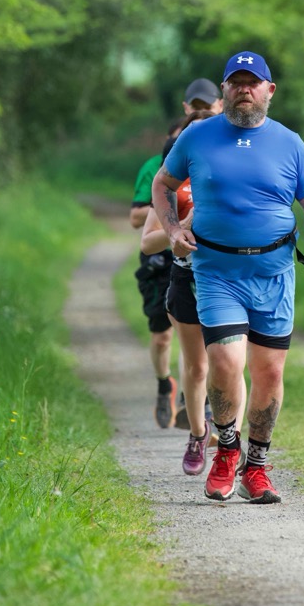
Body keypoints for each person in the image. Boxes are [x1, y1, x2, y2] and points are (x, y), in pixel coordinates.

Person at [152, 51, 304, 504]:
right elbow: (162, 185)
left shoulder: (290, 142)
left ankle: (256, 467)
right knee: (226, 363)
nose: (244, 89)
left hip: (273, 273)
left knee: (269, 372)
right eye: (236, 82)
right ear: (225, 89)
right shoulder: (197, 136)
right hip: (217, 272)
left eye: (253, 82)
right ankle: (227, 450)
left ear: (270, 90)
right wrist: (173, 231)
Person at [140, 109, 247, 475]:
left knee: (232, 363)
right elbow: (148, 242)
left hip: (233, 279)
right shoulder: (172, 180)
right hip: (187, 278)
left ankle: (232, 440)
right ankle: (198, 434)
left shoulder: (236, 170)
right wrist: (178, 229)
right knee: (197, 365)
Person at [131, 119, 185, 428]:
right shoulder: (155, 167)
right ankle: (165, 385)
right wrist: (166, 209)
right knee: (162, 336)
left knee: (193, 335)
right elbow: (135, 218)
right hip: (159, 262)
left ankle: (194, 399)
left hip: (196, 264)